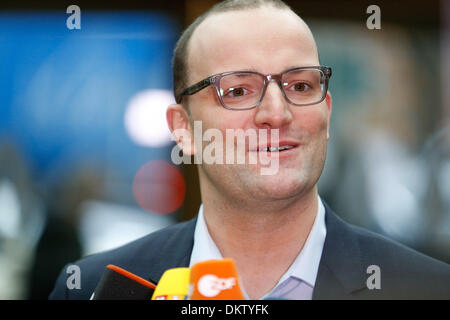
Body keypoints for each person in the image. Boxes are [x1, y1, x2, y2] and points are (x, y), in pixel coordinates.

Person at [49, 0, 450, 300]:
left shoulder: (425, 288)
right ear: (183, 130)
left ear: (326, 114)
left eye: (300, 86)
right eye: (238, 90)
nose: (277, 113)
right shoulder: (93, 288)